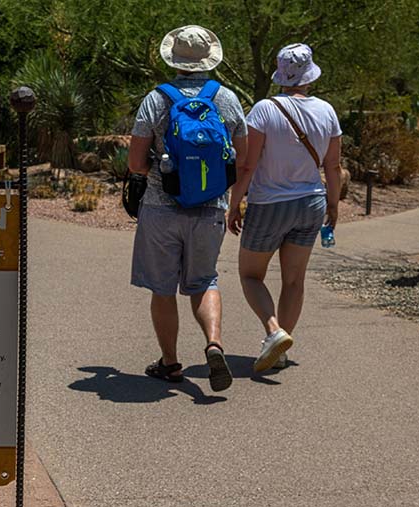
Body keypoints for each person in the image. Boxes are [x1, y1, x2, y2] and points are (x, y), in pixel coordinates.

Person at [129, 25, 248, 392]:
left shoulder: (156, 99)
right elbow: (242, 159)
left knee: (163, 288)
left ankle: (170, 363)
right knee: (204, 281)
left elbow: (135, 161)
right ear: (208, 60)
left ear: (174, 59)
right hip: (210, 209)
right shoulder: (226, 99)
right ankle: (213, 343)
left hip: (161, 208)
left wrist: (160, 179)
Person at [226, 43, 343, 372]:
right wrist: (333, 205)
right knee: (294, 280)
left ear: (280, 74)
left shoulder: (264, 109)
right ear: (309, 75)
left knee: (251, 275)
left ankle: (274, 331)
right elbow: (333, 167)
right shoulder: (327, 111)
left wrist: (235, 204)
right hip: (311, 202)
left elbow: (247, 165)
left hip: (270, 203)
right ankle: (281, 347)